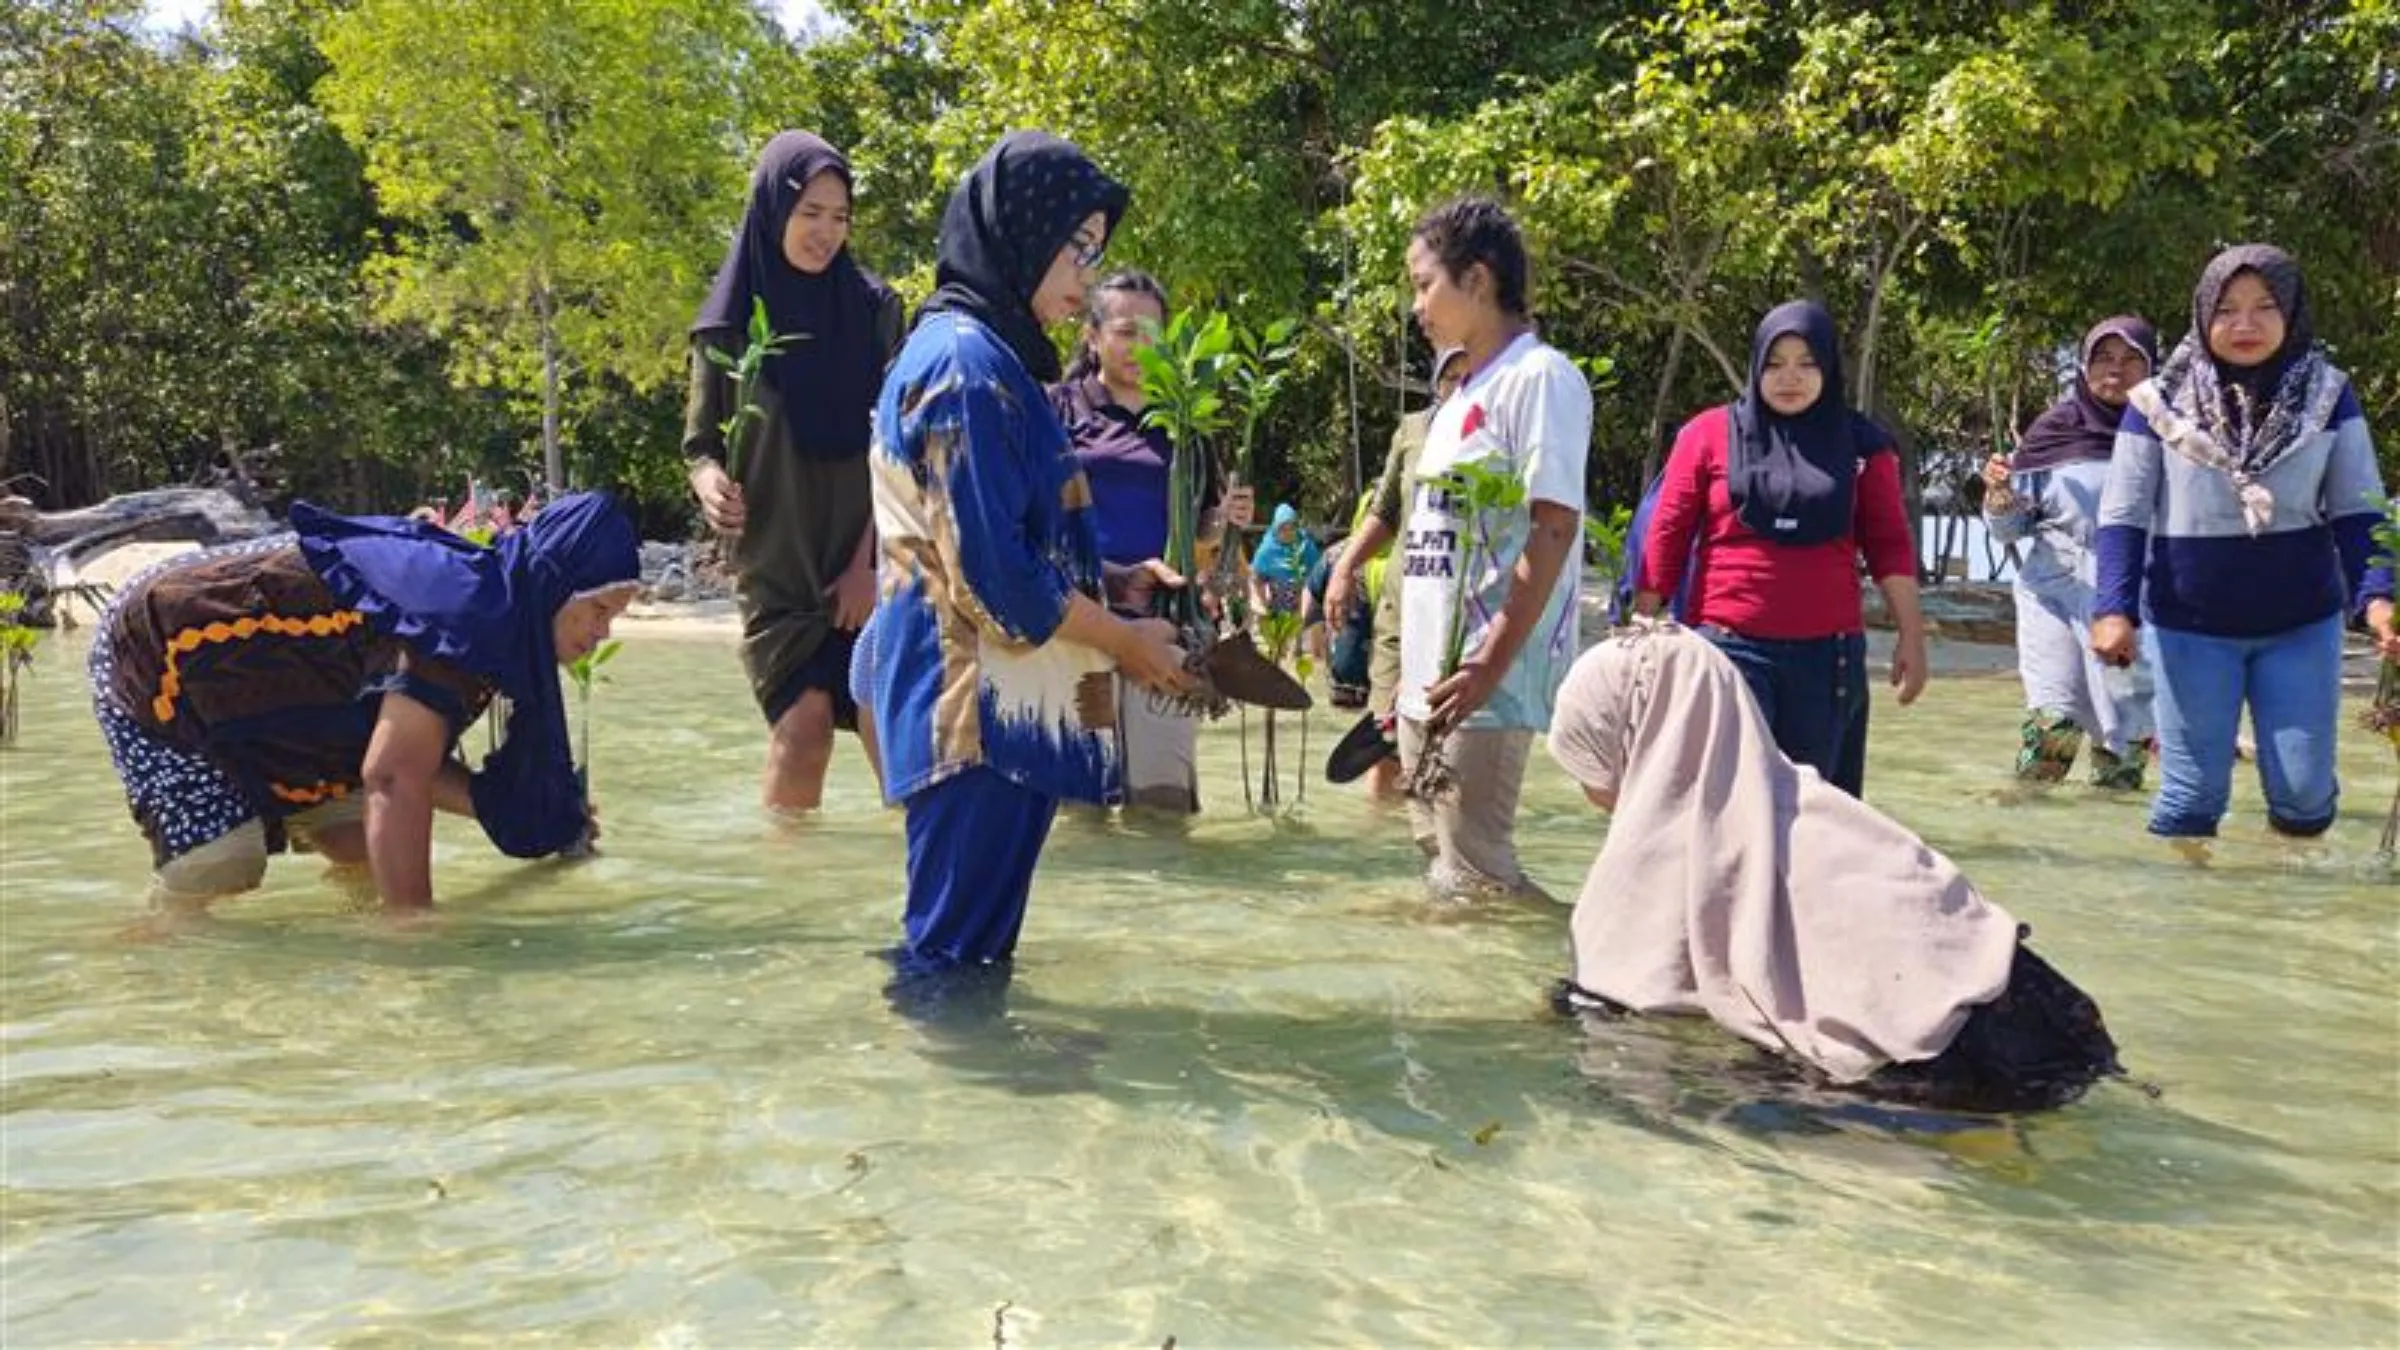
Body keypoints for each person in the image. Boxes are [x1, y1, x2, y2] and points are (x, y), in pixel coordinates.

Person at [1547, 623, 2124, 1114]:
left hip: (1956, 1078)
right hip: (2063, 1028)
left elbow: (1618, 994)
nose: (1586, 784)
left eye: (1590, 757)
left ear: (1640, 739)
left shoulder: (1666, 865)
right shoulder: (1822, 813)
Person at [863, 131, 1189, 998]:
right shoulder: (967, 367)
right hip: (971, 717)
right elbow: (993, 580)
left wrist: (1112, 587)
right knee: (949, 968)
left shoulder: (986, 356)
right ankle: (946, 1117)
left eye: (1095, 253)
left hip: (1000, 712)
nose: (1085, 276)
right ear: (1020, 233)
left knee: (968, 965)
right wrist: (1124, 640)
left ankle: (976, 1113)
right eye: (1075, 249)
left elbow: (1000, 538)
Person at [89, 492, 641, 915]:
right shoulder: (465, 617)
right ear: (553, 586)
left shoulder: (497, 623)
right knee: (221, 865)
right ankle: (146, 955)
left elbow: (405, 762)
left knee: (363, 853)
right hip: (158, 650)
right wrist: (414, 931)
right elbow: (394, 779)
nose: (602, 632)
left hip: (278, 688)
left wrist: (519, 807)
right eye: (599, 610)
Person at [2093, 244, 2396, 842]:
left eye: (2264, 307)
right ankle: (2189, 926)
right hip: (2190, 625)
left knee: (2305, 794)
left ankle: (2285, 922)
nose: (2245, 325)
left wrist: (2379, 597)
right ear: (2204, 315)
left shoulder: (2330, 396)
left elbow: (2360, 511)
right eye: (2227, 309)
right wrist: (2113, 609)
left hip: (2301, 623)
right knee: (2192, 798)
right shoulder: (2154, 405)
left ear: (2292, 314)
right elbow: (2122, 515)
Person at [684, 131, 905, 813]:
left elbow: (897, 451)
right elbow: (698, 445)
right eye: (810, 212)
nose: (826, 233)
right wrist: (708, 485)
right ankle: (784, 899)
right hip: (776, 561)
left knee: (890, 735)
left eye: (840, 217)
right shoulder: (727, 328)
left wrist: (868, 566)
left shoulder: (875, 311)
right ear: (772, 208)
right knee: (803, 732)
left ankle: (924, 885)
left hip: (864, 556)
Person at [1635, 300, 1928, 799]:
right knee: (1725, 805)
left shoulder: (1864, 445)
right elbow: (1668, 530)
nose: (1789, 378)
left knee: (1816, 815)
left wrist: (1912, 637)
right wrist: (1643, 626)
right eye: (1774, 363)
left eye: (1806, 363)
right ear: (1755, 365)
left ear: (1829, 367)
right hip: (1726, 649)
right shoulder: (1706, 435)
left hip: (1829, 659)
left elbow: (1890, 546)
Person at [1394, 197, 1592, 899]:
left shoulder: (1541, 379)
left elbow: (1554, 526)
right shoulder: (1458, 394)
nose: (1417, 306)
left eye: (1425, 285)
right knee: (1441, 858)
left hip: (1489, 678)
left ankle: (1574, 987)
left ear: (1477, 280)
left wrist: (1485, 665)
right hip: (1430, 676)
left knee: (1475, 866)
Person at [1049, 269, 1255, 814]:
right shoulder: (1056, 410)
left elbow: (1202, 545)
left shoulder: (1189, 424)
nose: (1140, 346)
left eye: (1153, 333)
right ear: (1091, 337)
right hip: (1077, 625)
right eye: (1124, 331)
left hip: (1165, 626)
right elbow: (1033, 521)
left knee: (1164, 804)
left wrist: (1222, 521)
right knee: (1078, 808)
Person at [1983, 316, 2161, 788]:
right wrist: (2000, 495)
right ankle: (2025, 840)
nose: (2116, 370)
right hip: (2055, 595)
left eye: (2131, 360)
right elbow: (2009, 531)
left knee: (2123, 755)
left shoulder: (2172, 435)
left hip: (2134, 601)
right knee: (2052, 735)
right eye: (2103, 358)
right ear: (2084, 366)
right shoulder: (2053, 431)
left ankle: (2111, 853)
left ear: (2152, 369)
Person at [1327, 347, 1467, 800]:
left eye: (1471, 375)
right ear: (1435, 381)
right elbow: (1385, 510)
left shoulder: (1494, 431)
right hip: (1400, 608)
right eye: (1451, 376)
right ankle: (1378, 847)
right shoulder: (1412, 430)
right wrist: (1345, 567)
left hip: (1462, 611)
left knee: (1452, 743)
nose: (1459, 386)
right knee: (1383, 737)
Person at [1248, 503, 1319, 626]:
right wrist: (1262, 603)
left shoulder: (1306, 546)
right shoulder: (1267, 549)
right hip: (1278, 606)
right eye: (1283, 528)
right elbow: (1255, 578)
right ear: (1275, 528)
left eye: (1292, 528)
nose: (1288, 532)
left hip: (1304, 601)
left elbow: (1318, 573)